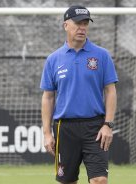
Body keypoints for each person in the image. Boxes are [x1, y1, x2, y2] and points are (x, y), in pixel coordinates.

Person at [40, 5, 118, 184]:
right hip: (64, 128)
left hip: (95, 127)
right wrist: (46, 133)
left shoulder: (102, 55)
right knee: (67, 181)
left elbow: (110, 91)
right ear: (65, 25)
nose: (82, 28)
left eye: (85, 23)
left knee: (99, 180)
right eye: (77, 23)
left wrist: (108, 124)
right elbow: (48, 97)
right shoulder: (54, 59)